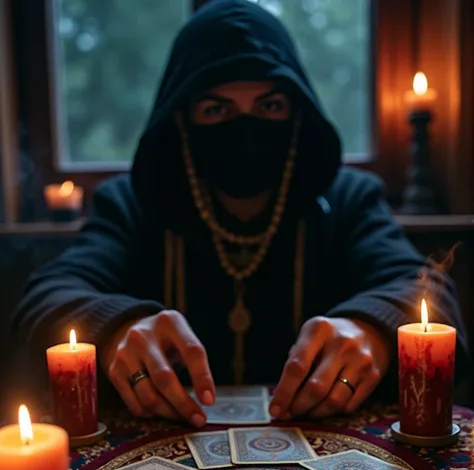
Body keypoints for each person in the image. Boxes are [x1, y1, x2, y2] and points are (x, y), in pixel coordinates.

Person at [12, 0, 469, 427]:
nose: (245, 128)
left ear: (295, 114)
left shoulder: (347, 197)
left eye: (269, 106)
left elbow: (426, 291)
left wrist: (371, 328)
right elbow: (46, 297)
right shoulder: (132, 204)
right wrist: (115, 330)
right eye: (217, 108)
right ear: (181, 119)